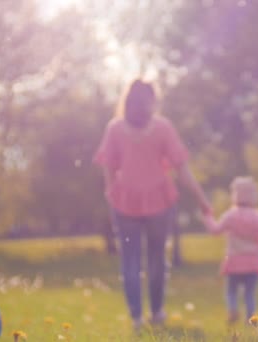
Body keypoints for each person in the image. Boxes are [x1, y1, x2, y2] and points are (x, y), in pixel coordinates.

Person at [94, 79, 211, 330]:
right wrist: (201, 198)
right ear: (152, 100)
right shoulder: (162, 127)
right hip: (159, 200)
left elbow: (109, 168)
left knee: (130, 261)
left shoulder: (115, 128)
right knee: (157, 259)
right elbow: (181, 168)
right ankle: (156, 313)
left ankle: (137, 318)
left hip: (125, 201)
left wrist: (111, 193)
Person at [202, 176, 258, 324]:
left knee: (231, 292)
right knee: (249, 293)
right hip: (253, 261)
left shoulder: (230, 215)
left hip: (234, 260)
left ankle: (233, 309)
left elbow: (216, 230)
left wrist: (207, 217)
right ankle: (251, 318)